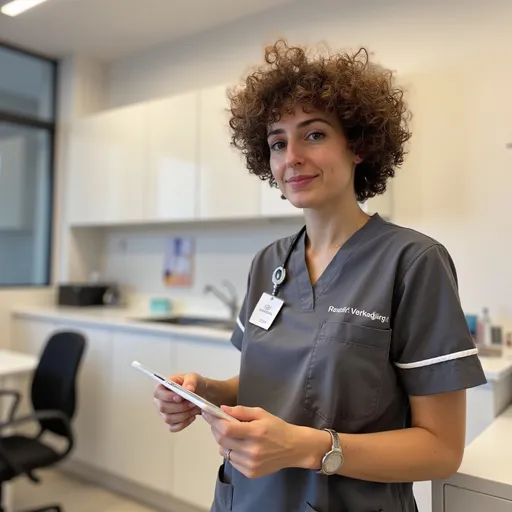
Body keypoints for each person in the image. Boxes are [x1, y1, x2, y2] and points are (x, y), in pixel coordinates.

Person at [153, 40, 487, 512]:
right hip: (247, 498)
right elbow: (268, 382)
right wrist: (204, 391)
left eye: (313, 135)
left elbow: (441, 450)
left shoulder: (413, 262)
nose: (292, 157)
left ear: (358, 145)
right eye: (276, 142)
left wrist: (308, 448)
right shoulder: (268, 261)